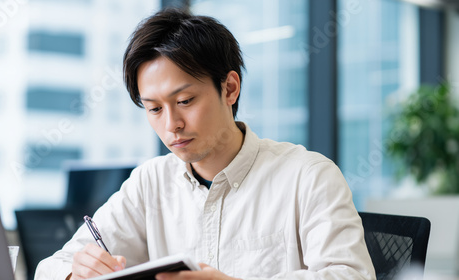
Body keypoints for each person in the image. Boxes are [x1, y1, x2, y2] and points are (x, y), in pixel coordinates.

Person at [35, 8, 376, 280]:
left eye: (184, 101)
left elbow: (352, 275)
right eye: (154, 109)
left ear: (229, 88)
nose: (172, 125)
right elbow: (50, 267)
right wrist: (75, 272)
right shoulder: (150, 183)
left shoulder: (308, 176)